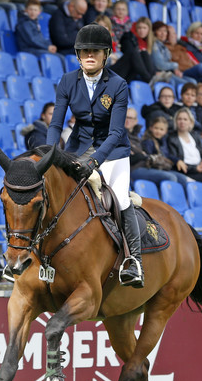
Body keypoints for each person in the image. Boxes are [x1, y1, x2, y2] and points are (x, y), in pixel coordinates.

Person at [45, 24, 143, 287]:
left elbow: (116, 132)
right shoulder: (67, 81)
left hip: (113, 151)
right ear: (78, 55)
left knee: (120, 199)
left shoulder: (118, 85)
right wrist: (51, 154)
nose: (90, 55)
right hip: (77, 146)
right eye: (85, 51)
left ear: (105, 55)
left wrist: (95, 161)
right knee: (56, 192)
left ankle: (133, 261)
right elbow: (56, 124)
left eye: (95, 51)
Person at [165, 107, 202, 189]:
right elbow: (177, 163)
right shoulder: (172, 139)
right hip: (188, 172)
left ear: (190, 122)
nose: (182, 122)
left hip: (201, 168)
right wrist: (195, 169)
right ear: (176, 122)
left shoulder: (195, 136)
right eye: (179, 119)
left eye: (185, 119)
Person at [135, 114, 193, 188]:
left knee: (183, 179)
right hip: (153, 168)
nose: (158, 131)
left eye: (161, 129)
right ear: (151, 128)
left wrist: (177, 160)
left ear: (165, 131)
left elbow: (167, 155)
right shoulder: (148, 141)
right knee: (171, 177)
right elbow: (150, 158)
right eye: (156, 128)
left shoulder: (163, 141)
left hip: (162, 168)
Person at [110, 17, 157, 83]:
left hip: (132, 73)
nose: (141, 30)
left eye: (144, 28)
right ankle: (149, 80)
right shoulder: (128, 37)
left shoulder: (150, 42)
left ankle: (152, 79)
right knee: (135, 52)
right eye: (139, 28)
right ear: (136, 28)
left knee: (144, 53)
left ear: (149, 29)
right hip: (119, 69)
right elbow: (130, 53)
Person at [150, 21, 193, 89]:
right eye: (160, 31)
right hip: (161, 74)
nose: (163, 33)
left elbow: (169, 62)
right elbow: (160, 65)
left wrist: (176, 69)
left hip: (169, 73)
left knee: (192, 81)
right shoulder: (154, 45)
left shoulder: (163, 46)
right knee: (188, 86)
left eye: (165, 31)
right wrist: (175, 65)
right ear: (154, 32)